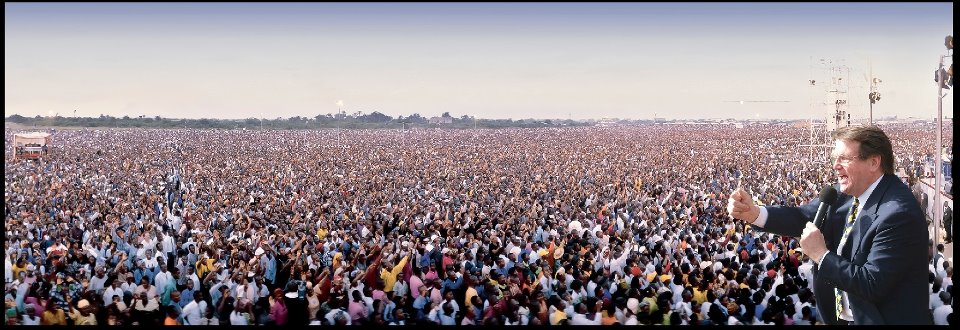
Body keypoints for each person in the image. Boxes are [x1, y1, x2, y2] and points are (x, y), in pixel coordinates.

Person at [728, 125, 930, 325]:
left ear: (873, 162)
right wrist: (754, 213)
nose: (836, 166)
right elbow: (803, 217)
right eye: (835, 158)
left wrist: (821, 255)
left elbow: (871, 283)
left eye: (844, 158)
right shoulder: (845, 194)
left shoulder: (898, 214)